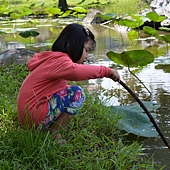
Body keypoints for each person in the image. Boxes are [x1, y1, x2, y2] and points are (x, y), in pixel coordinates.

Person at [17, 23, 120, 135]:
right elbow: (75, 72)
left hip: (27, 115)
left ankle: (46, 126)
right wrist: (106, 71)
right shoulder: (60, 61)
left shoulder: (53, 58)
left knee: (67, 89)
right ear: (71, 45)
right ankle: (54, 133)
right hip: (34, 116)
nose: (87, 56)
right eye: (86, 50)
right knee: (77, 94)